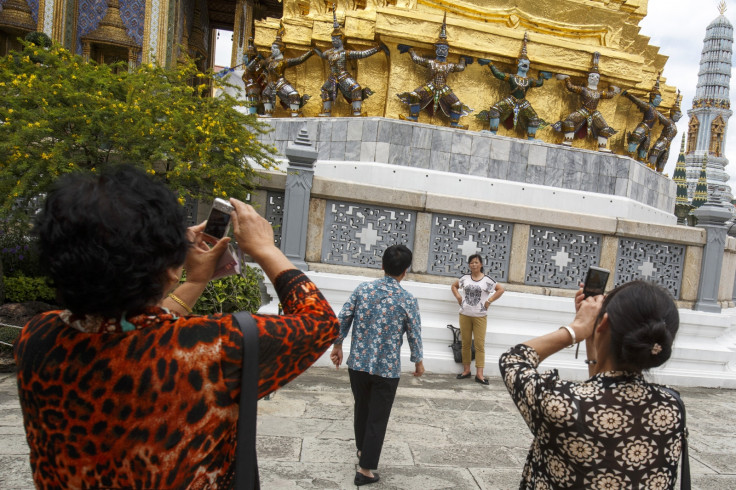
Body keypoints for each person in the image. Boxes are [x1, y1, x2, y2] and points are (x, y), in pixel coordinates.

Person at [14, 165, 340, 488]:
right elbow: (322, 322)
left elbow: (131, 329)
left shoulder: (36, 338)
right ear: (170, 269)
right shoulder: (211, 348)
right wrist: (265, 249)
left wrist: (194, 279)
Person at [499, 281, 685, 489]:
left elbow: (514, 360)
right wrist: (594, 336)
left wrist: (577, 329)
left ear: (603, 323)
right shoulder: (672, 407)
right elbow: (603, 387)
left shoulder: (561, 403)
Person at [330, 244, 424, 486]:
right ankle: (365, 470)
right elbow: (414, 333)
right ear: (406, 271)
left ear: (382, 266)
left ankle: (363, 451)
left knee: (362, 409)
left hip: (358, 364)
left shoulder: (363, 290)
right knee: (377, 417)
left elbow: (343, 317)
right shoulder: (407, 300)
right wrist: (418, 361)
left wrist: (337, 345)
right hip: (386, 369)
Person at [396, 13, 472, 128]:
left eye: (444, 49)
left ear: (447, 51)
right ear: (436, 50)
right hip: (431, 85)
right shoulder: (431, 63)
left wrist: (463, 60)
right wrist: (410, 50)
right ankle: (413, 117)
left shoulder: (449, 66)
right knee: (414, 95)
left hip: (444, 88)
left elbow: (460, 68)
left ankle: (454, 124)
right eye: (440, 49)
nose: (442, 51)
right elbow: (417, 59)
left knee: (456, 104)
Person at [315, 6, 388, 117]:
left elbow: (362, 54)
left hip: (343, 76)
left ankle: (357, 112)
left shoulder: (345, 53)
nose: (334, 41)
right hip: (333, 77)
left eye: (337, 39)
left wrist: (377, 49)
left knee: (356, 88)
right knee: (324, 89)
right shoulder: (329, 53)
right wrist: (314, 50)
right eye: (333, 39)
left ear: (341, 39)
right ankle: (326, 112)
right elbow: (322, 55)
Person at [479, 32, 552, 140]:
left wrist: (542, 76)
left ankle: (531, 139)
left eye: (527, 63)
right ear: (518, 63)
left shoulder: (529, 80)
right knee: (495, 109)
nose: (525, 64)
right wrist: (490, 64)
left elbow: (539, 83)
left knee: (534, 118)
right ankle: (493, 132)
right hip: (511, 100)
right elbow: (498, 74)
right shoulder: (512, 77)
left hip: (523, 102)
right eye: (523, 62)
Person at [451, 254, 505, 385]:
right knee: (465, 343)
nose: (473, 265)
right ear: (469, 265)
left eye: (476, 262)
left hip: (480, 316)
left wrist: (489, 301)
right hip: (464, 315)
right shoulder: (464, 278)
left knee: (479, 345)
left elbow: (500, 289)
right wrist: (458, 297)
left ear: (481, 264)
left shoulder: (487, 280)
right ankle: (466, 370)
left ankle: (479, 374)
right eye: (471, 262)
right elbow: (454, 286)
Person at [553, 52, 620, 152]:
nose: (595, 79)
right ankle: (568, 141)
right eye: (593, 76)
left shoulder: (599, 93)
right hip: (583, 111)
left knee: (605, 128)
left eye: (597, 77)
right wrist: (566, 78)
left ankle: (602, 147)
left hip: (595, 113)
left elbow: (609, 95)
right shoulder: (584, 90)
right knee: (569, 120)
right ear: (589, 78)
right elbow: (571, 88)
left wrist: (614, 91)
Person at [261, 22, 313, 117]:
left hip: (281, 83)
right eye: (271, 48)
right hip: (271, 83)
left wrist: (310, 52)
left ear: (280, 49)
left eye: (274, 48)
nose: (272, 50)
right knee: (265, 94)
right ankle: (268, 114)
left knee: (294, 94)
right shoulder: (269, 61)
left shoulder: (283, 61)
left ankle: (295, 114)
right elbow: (261, 64)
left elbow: (299, 60)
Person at [624, 74, 663, 161]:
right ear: (652, 98)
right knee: (634, 140)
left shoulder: (655, 111)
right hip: (643, 127)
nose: (659, 101)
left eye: (660, 99)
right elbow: (638, 102)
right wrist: (627, 94)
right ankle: (629, 158)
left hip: (649, 131)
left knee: (644, 148)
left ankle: (641, 161)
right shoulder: (648, 107)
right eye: (658, 99)